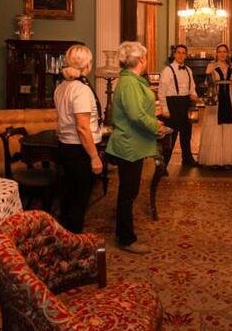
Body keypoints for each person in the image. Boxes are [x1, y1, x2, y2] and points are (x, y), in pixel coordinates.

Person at [105, 41, 166, 254]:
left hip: (134, 143)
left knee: (129, 191)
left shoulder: (132, 80)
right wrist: (156, 126)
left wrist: (153, 117)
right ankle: (126, 238)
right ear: (140, 59)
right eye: (145, 57)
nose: (146, 60)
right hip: (129, 144)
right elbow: (136, 115)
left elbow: (139, 110)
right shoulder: (130, 82)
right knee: (128, 193)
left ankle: (124, 234)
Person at [54, 44, 104, 234]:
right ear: (87, 65)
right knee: (79, 201)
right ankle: (73, 241)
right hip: (79, 150)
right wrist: (94, 157)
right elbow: (82, 127)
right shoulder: (81, 90)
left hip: (65, 147)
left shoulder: (61, 87)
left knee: (69, 197)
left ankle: (64, 236)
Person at [199, 43, 232, 167]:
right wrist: (208, 73)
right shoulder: (211, 66)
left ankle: (227, 159)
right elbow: (207, 84)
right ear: (216, 54)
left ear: (228, 53)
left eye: (224, 51)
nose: (222, 54)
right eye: (220, 52)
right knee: (215, 127)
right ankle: (214, 159)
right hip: (216, 99)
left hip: (228, 98)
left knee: (228, 126)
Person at [158, 44, 199, 167]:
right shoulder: (167, 70)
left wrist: (194, 95)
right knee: (170, 137)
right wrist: (165, 109)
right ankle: (163, 165)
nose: (181, 55)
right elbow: (161, 92)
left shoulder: (188, 70)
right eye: (178, 53)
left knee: (186, 134)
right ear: (174, 54)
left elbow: (192, 87)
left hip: (185, 103)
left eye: (183, 53)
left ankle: (187, 159)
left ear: (186, 55)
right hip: (172, 104)